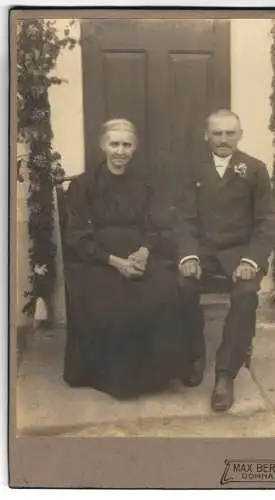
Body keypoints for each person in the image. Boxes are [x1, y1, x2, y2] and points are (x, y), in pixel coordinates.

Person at [62, 119, 188, 399]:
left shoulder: (145, 183)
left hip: (139, 254)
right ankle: (118, 380)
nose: (120, 151)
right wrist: (115, 262)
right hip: (98, 259)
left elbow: (157, 224)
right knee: (115, 300)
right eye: (114, 144)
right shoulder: (84, 185)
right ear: (102, 145)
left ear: (135, 148)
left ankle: (156, 376)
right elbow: (77, 236)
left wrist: (144, 251)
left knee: (165, 289)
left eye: (126, 145)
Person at [176, 109, 275, 411]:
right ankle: (194, 356)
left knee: (246, 295)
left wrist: (252, 260)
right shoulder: (191, 168)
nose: (223, 140)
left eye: (229, 133)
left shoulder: (255, 169)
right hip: (203, 251)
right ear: (206, 135)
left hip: (239, 253)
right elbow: (183, 218)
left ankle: (225, 373)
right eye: (217, 133)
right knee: (182, 285)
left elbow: (266, 222)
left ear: (240, 135)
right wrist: (188, 254)